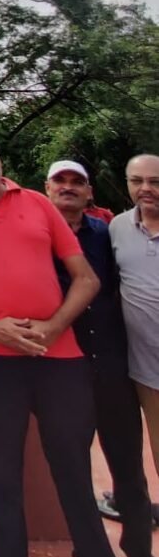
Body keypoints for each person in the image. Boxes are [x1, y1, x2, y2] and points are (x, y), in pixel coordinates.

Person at [0, 128, 127, 557]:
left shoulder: (38, 205)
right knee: (2, 473)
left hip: (59, 357)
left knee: (74, 472)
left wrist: (55, 326)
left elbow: (85, 279)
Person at [46, 159, 157, 557]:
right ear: (48, 189)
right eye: (62, 181)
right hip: (64, 373)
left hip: (114, 370)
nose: (69, 188)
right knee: (74, 476)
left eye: (78, 182)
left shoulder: (106, 234)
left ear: (90, 192)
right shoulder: (37, 239)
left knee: (129, 472)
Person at [110, 154, 159, 482]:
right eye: (137, 181)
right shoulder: (117, 228)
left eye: (155, 181)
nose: (146, 189)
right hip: (147, 368)